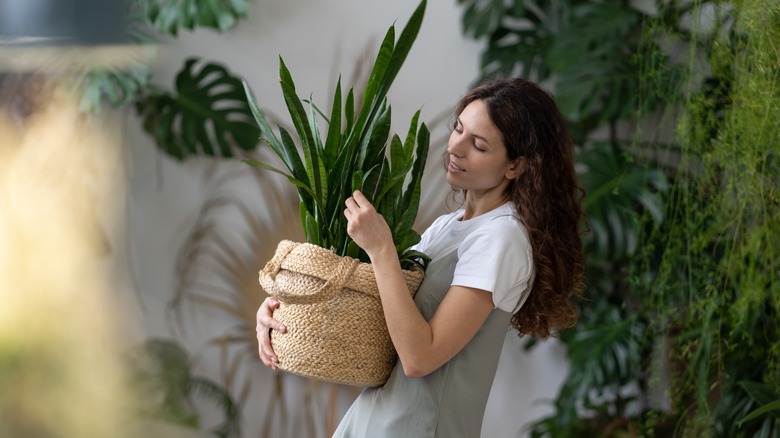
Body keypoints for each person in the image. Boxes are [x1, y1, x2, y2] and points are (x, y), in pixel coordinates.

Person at [256, 77, 586, 437]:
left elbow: (418, 359)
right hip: (372, 422)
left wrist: (381, 249)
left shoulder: (502, 238)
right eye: (458, 129)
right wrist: (283, 311)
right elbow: (383, 325)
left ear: (516, 167)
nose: (455, 148)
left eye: (478, 145)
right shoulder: (447, 228)